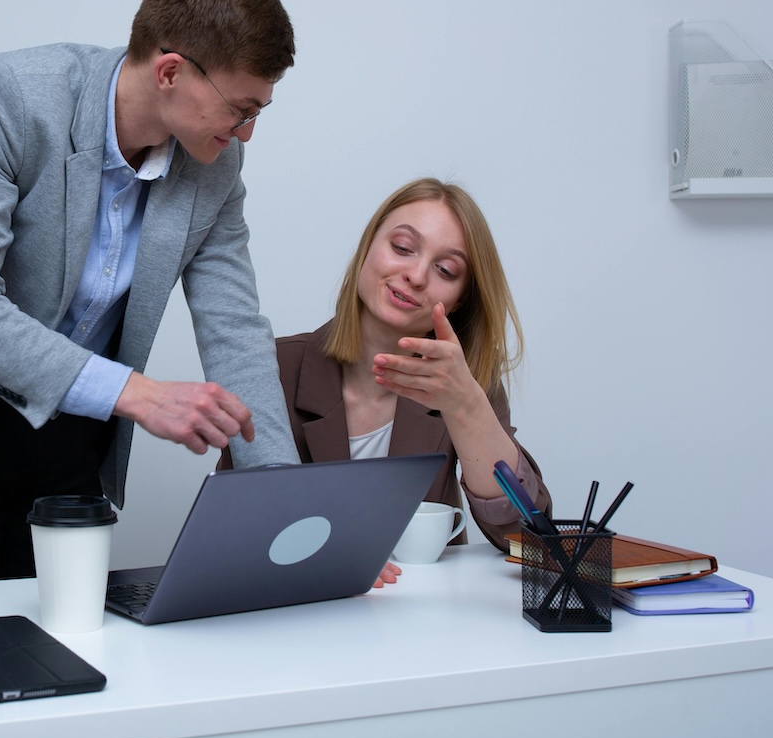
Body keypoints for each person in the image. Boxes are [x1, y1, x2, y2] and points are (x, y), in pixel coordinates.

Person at [0, 0, 301, 581]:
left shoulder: (216, 164)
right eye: (241, 109)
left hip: (70, 436)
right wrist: (136, 393)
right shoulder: (8, 97)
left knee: (64, 647)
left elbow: (235, 329)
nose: (247, 132)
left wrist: (284, 505)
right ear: (170, 72)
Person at [221, 178, 550, 559]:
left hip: (421, 612)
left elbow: (526, 538)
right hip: (299, 610)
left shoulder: (464, 381)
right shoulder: (269, 366)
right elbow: (233, 524)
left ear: (461, 300)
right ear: (367, 248)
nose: (416, 275)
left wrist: (466, 406)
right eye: (403, 247)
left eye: (445, 270)